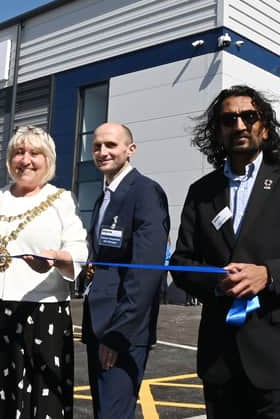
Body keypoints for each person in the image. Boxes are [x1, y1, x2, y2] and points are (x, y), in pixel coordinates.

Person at [169, 85, 280, 419]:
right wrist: (215, 282)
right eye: (229, 119)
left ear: (265, 126)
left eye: (249, 116)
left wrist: (270, 274)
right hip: (220, 360)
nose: (240, 125)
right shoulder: (202, 191)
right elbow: (182, 262)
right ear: (218, 130)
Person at [0, 125, 88, 418]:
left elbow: (79, 251)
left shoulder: (61, 199)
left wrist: (55, 257)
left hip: (41, 315)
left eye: (35, 153)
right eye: (18, 152)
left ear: (47, 160)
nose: (25, 160)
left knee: (38, 399)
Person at [82, 122, 169, 419]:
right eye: (97, 146)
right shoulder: (103, 196)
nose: (102, 152)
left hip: (122, 330)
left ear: (130, 150)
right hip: (98, 325)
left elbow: (146, 272)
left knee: (113, 414)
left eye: (111, 145)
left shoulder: (145, 192)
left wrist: (119, 333)